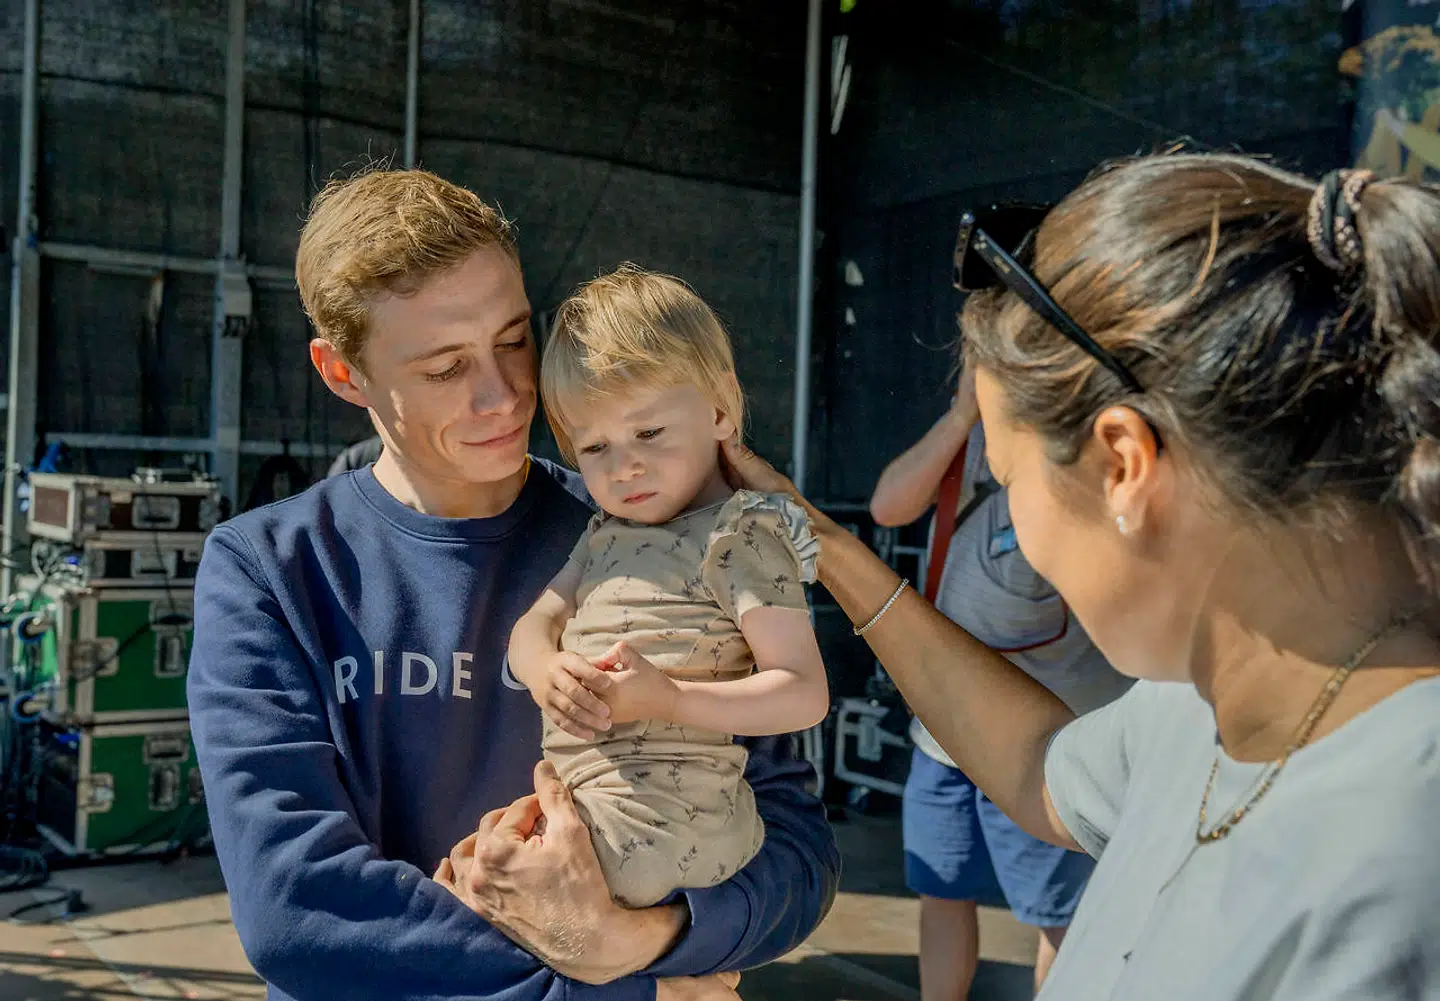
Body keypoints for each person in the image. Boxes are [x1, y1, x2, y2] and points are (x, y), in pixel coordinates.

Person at [722, 152, 1440, 1000]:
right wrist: (824, 548)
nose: (1012, 516)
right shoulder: (1198, 701)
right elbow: (1036, 766)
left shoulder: (1401, 858)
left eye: (1012, 478)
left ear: (1122, 465)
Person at [186, 168, 839, 1001]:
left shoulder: (654, 534)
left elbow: (795, 843)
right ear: (342, 373)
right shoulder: (269, 569)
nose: (503, 395)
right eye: (445, 365)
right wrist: (619, 979)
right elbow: (297, 906)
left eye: (513, 337)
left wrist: (652, 933)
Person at [508, 265, 829, 910]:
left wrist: (671, 698)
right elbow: (532, 624)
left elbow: (804, 693)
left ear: (718, 409)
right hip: (588, 799)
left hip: (669, 820)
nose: (624, 465)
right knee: (482, 877)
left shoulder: (741, 533)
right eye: (593, 446)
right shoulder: (603, 531)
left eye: (649, 432)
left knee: (508, 899)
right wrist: (544, 667)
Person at [869, 364, 1131, 999]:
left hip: (1047, 734)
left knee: (1057, 912)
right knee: (941, 886)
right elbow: (889, 506)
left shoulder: (1080, 446)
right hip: (946, 728)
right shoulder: (968, 438)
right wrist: (963, 416)